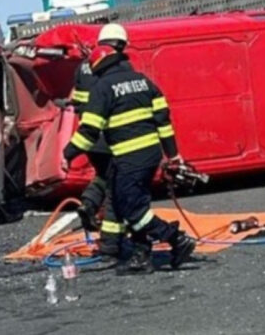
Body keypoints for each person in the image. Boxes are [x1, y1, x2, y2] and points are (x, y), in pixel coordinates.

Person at [62, 42, 196, 274]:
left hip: (129, 157)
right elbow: (163, 121)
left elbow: (90, 131)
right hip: (150, 155)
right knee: (132, 203)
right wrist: (173, 154)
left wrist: (68, 154)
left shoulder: (102, 88)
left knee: (131, 210)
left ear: (97, 68)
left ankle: (176, 238)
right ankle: (141, 256)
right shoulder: (143, 81)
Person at [69, 24, 132, 261]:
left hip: (90, 136)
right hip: (113, 135)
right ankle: (111, 243)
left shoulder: (82, 67)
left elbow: (78, 103)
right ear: (120, 45)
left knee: (104, 176)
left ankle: (88, 204)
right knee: (117, 189)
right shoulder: (121, 66)